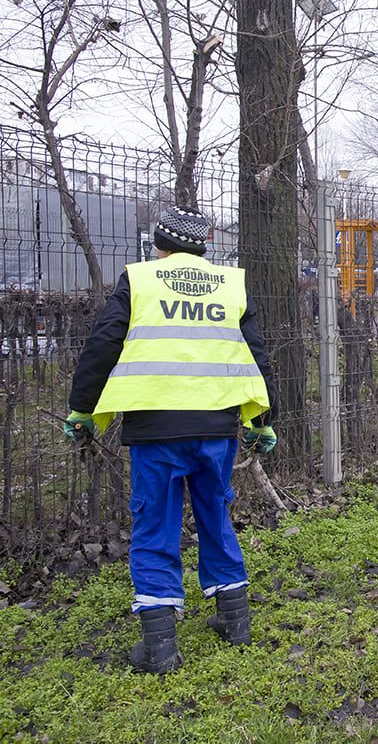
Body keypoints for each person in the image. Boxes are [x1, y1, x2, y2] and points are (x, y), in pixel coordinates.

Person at [62, 206, 278, 674]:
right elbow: (254, 354)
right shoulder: (229, 284)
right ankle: (234, 621)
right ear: (202, 246)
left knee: (155, 523)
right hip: (217, 425)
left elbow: (103, 344)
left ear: (160, 245)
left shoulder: (139, 281)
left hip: (156, 427)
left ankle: (159, 648)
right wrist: (263, 418)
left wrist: (83, 409)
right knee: (215, 514)